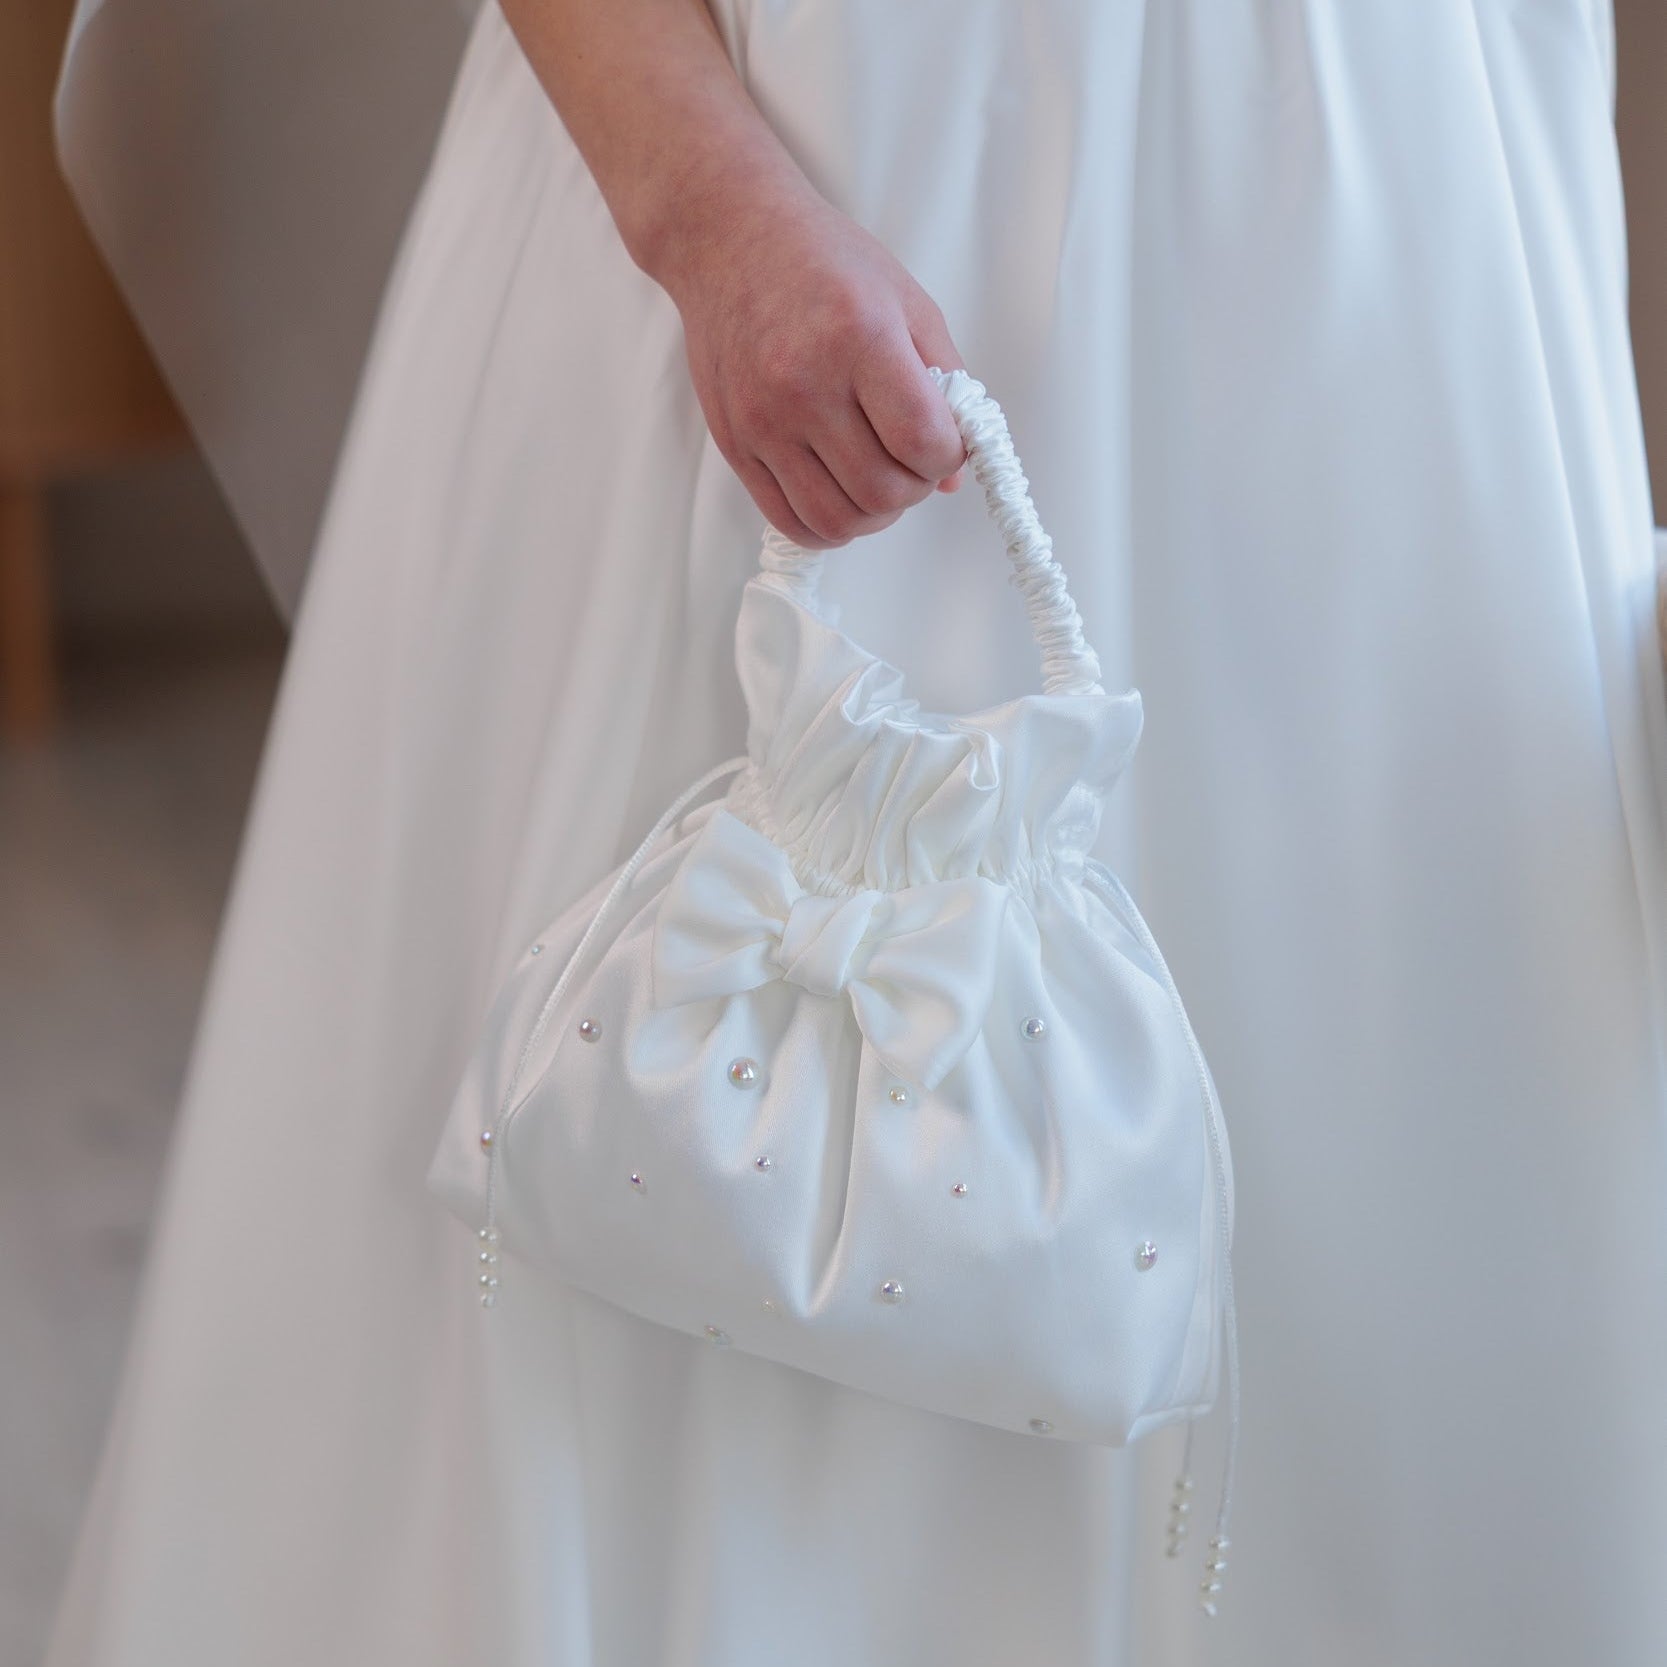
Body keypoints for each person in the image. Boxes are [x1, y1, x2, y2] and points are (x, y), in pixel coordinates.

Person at [45, 2, 1667, 1664]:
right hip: (825, 149)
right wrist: (705, 206)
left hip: (1393, 244)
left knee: (1406, 1109)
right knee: (696, 1162)